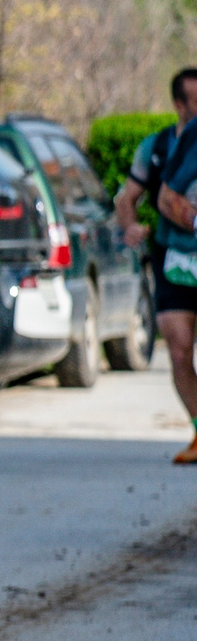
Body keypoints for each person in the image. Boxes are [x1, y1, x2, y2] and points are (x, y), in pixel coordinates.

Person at [112, 66, 197, 464]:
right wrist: (130, 227)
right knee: (179, 350)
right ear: (179, 104)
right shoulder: (157, 146)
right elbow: (126, 198)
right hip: (174, 257)